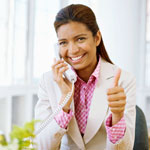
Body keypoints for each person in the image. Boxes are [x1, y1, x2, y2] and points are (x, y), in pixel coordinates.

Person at [34, 4, 136, 150]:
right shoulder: (48, 81)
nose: (73, 50)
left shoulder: (123, 80)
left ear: (97, 38)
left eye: (80, 39)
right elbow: (41, 147)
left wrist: (118, 117)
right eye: (63, 42)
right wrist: (64, 102)